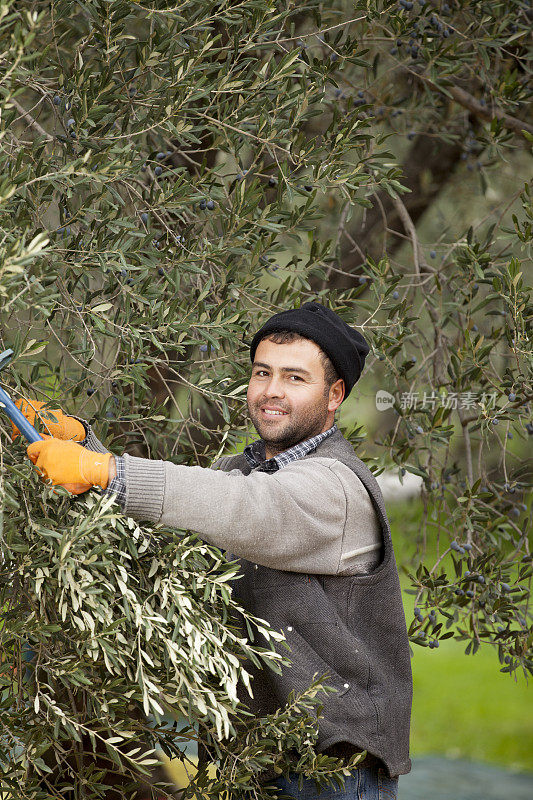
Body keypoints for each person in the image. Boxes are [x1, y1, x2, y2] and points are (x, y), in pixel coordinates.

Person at [16, 301, 413, 799]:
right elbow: (171, 526)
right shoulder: (239, 471)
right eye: (262, 373)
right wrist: (80, 442)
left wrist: (109, 471)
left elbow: (247, 510)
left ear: (334, 395)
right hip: (248, 762)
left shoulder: (336, 488)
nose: (271, 391)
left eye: (294, 378)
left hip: (329, 772)